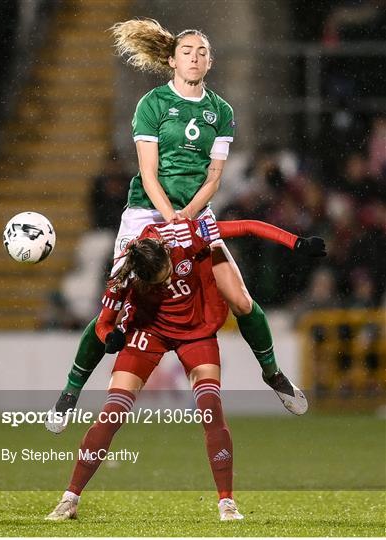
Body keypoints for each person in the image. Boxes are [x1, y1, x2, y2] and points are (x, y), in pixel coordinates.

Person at [48, 18, 323, 420]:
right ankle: (70, 392)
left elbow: (214, 177)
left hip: (194, 212)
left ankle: (273, 374)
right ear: (173, 61)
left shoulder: (221, 112)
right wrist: (168, 219)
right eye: (187, 52)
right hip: (146, 211)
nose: (194, 58)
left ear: (209, 62)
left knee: (241, 298)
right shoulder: (153, 104)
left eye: (202, 53)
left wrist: (188, 217)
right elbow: (148, 172)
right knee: (115, 298)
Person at [45, 217, 326, 522]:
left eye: (168, 273)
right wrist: (109, 338)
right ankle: (69, 499)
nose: (167, 283)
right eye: (159, 282)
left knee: (210, 407)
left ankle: (227, 504)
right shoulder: (125, 275)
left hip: (195, 333)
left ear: (167, 252)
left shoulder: (185, 235)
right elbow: (102, 323)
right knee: (113, 412)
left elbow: (245, 227)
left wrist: (295, 242)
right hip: (148, 332)